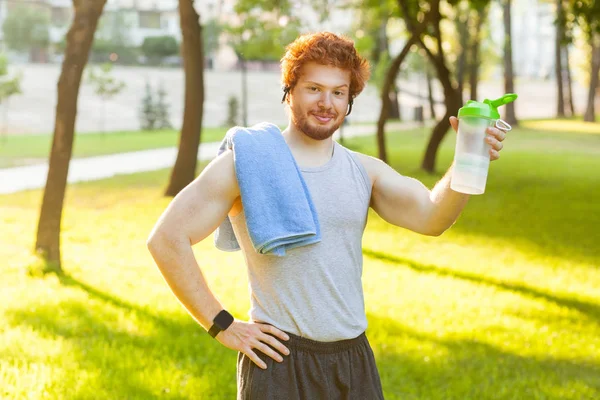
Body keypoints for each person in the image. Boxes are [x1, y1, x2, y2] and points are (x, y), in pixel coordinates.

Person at [146, 32, 507, 399]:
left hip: (353, 360)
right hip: (280, 362)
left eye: (338, 92)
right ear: (289, 90)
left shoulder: (365, 171)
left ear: (350, 99)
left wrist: (467, 161)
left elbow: (432, 218)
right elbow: (166, 239)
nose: (326, 103)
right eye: (314, 88)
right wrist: (222, 325)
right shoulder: (246, 164)